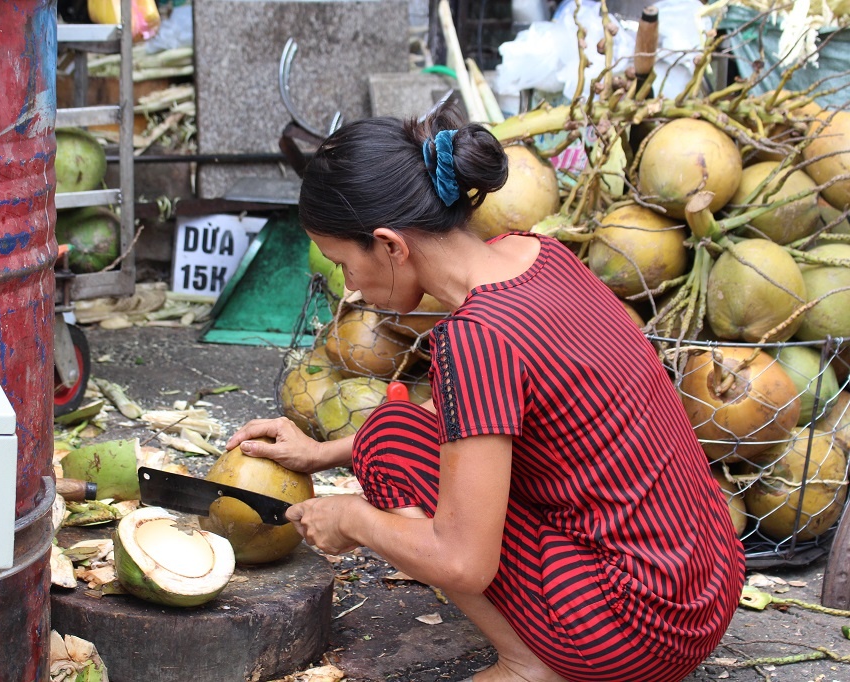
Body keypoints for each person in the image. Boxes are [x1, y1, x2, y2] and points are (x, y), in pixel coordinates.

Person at [225, 104, 745, 682]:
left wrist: (352, 518)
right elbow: (465, 414)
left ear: (390, 244)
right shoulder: (537, 256)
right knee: (385, 433)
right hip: (706, 583)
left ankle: (529, 664)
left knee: (389, 452)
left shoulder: (477, 339)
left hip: (639, 630)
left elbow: (463, 563)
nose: (351, 287)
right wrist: (324, 454)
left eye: (347, 264)